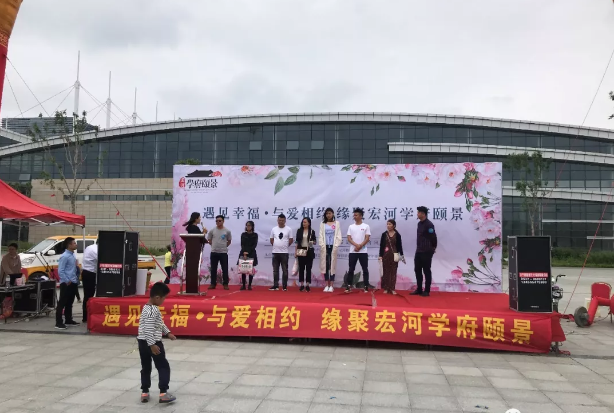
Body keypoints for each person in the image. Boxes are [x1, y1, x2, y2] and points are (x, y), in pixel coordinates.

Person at [137, 282, 177, 404]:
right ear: (157, 297)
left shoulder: (146, 307)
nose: (164, 301)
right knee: (163, 366)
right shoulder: (153, 310)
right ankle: (163, 393)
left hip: (142, 342)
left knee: (146, 367)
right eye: (164, 298)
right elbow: (149, 328)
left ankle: (145, 391)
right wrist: (152, 345)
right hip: (153, 343)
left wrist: (167, 333)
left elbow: (159, 323)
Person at [411, 206, 437, 297]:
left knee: (426, 270)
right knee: (417, 270)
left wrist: (433, 248)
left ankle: (427, 290)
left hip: (427, 251)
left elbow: (433, 237)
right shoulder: (419, 224)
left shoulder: (429, 224)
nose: (417, 214)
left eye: (418, 213)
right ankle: (419, 289)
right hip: (419, 250)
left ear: (423, 214)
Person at [55, 237, 80, 329]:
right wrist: (66, 280)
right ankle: (58, 322)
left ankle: (68, 319)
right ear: (69, 245)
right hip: (66, 283)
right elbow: (60, 271)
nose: (76, 245)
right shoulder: (64, 256)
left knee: (69, 302)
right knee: (62, 302)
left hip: (73, 281)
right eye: (74, 243)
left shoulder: (72, 255)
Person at [346, 208, 371, 294]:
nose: (354, 216)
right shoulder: (351, 226)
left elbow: (367, 238)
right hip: (353, 251)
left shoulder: (366, 226)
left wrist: (360, 246)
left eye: (356, 215)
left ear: (361, 216)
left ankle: (366, 286)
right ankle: (349, 286)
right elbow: (349, 238)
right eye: (354, 215)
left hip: (363, 251)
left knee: (365, 269)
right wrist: (356, 245)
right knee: (351, 269)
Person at [319, 207, 342, 293]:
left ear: (333, 214)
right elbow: (320, 236)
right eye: (327, 213)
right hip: (325, 247)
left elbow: (339, 236)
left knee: (332, 266)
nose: (328, 215)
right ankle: (326, 285)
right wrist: (322, 245)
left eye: (330, 213)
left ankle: (331, 285)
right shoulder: (322, 224)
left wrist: (335, 246)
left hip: (333, 247)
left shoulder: (337, 223)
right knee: (325, 266)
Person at [379, 219, 404, 295]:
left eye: (390, 224)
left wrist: (401, 255)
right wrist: (380, 255)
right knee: (386, 272)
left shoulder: (397, 235)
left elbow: (399, 246)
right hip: (386, 255)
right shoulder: (384, 234)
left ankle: (392, 288)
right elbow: (381, 246)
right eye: (387, 224)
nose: (388, 226)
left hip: (395, 255)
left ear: (394, 225)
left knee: (393, 272)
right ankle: (386, 288)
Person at [207, 215, 232, 290]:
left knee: (225, 269)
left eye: (220, 221)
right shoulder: (212, 230)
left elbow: (229, 241)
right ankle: (213, 284)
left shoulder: (227, 231)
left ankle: (225, 284)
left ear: (223, 221)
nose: (218, 222)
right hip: (214, 252)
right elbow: (209, 239)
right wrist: (214, 245)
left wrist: (224, 246)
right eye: (216, 221)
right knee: (213, 269)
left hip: (223, 253)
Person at [269, 214, 293, 291]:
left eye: (282, 220)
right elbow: (271, 239)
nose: (281, 222)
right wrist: (276, 245)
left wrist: (285, 246)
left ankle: (284, 286)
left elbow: (291, 240)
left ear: (285, 221)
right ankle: (275, 285)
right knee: (275, 270)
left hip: (284, 253)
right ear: (277, 220)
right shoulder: (274, 229)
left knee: (285, 270)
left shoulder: (289, 229)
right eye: (280, 220)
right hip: (275, 252)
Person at [295, 217, 316, 292]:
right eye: (303, 222)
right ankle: (301, 284)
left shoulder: (312, 231)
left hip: (309, 251)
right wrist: (295, 252)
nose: (303, 223)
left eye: (305, 222)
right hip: (301, 250)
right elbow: (297, 242)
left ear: (309, 223)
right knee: (301, 268)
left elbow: (314, 241)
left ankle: (307, 285)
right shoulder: (299, 231)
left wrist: (311, 243)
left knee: (308, 269)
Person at [81, 241, 98, 323]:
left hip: (88, 272)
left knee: (88, 295)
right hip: (89, 273)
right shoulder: (95, 249)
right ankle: (86, 317)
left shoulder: (90, 247)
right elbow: (102, 258)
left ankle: (86, 316)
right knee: (89, 295)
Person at [238, 221, 258, 291]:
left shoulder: (255, 235)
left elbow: (254, 245)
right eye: (247, 225)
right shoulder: (243, 234)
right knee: (243, 269)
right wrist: (244, 253)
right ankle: (243, 285)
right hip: (243, 252)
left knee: (250, 270)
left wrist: (248, 252)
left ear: (252, 226)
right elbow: (242, 244)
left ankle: (249, 285)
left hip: (251, 253)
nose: (248, 227)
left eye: (249, 225)